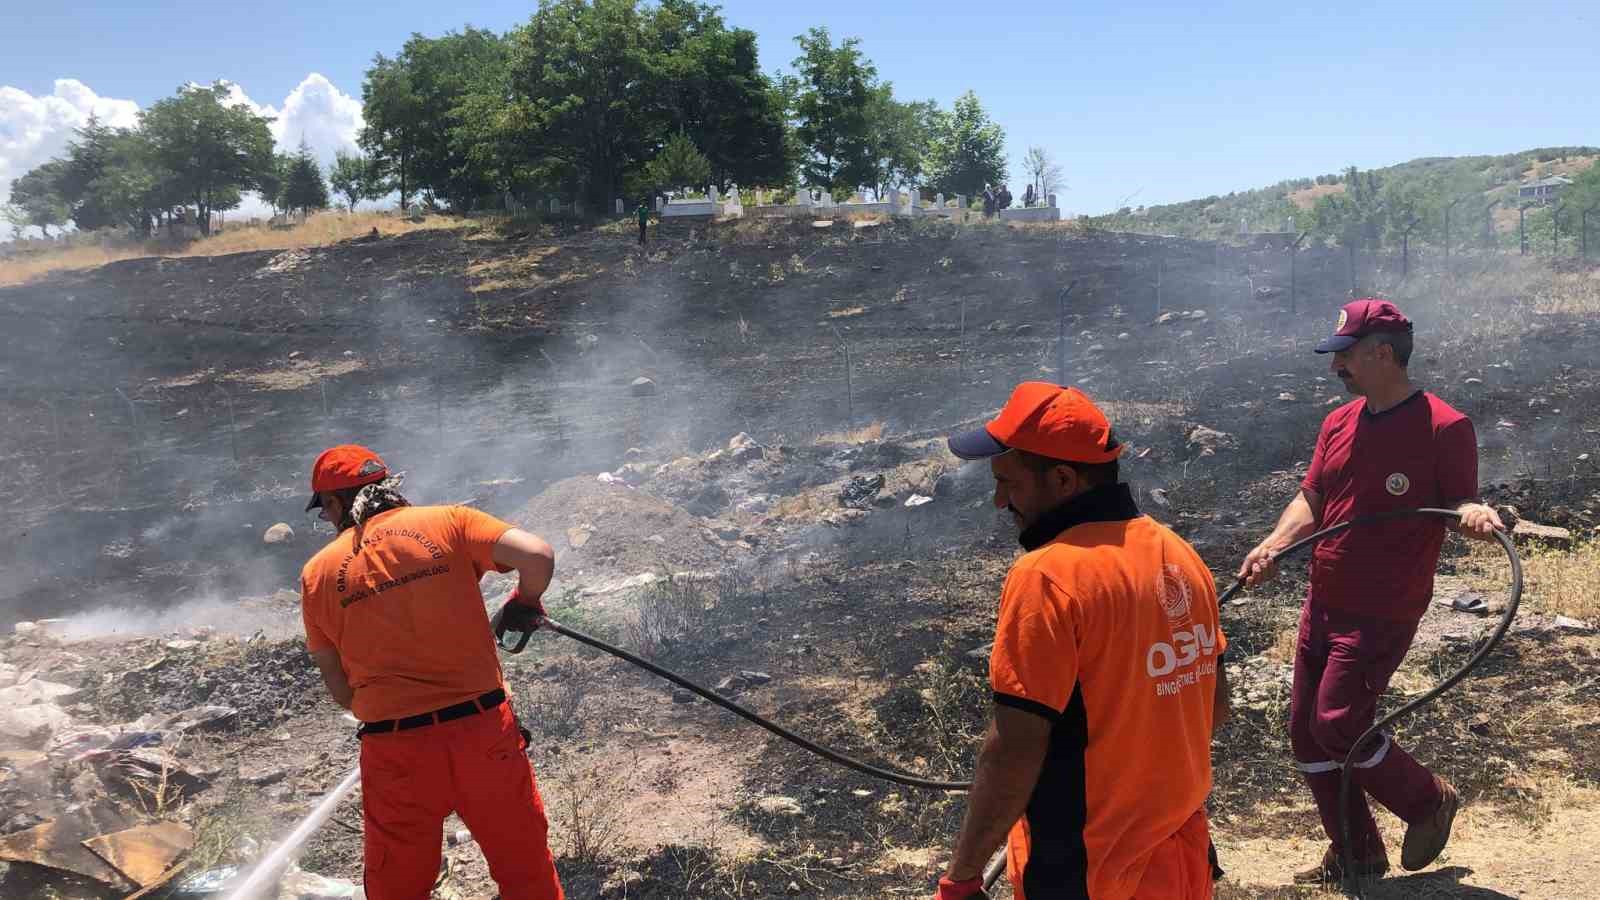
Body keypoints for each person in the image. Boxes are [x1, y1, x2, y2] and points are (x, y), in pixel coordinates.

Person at [1237, 299, 1505, 885]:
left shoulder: (1444, 425)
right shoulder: (1338, 423)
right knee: (1306, 733)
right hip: (1324, 598)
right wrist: (1272, 545)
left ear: (1382, 353)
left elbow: (1461, 501)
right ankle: (1356, 853)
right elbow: (1313, 499)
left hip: (1383, 606)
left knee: (1338, 721)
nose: (1337, 369)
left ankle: (1426, 801)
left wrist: (1477, 513)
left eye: (1347, 356)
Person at [935, 383, 1228, 900]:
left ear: (1064, 479)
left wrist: (960, 879)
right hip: (1182, 859)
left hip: (1093, 872)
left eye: (1008, 483)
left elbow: (1014, 750)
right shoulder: (1178, 554)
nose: (1000, 500)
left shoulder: (1047, 576)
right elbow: (1214, 706)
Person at [298, 444, 564, 900]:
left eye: (325, 511)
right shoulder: (449, 522)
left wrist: (388, 705)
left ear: (337, 504)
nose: (327, 520)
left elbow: (340, 689)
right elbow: (537, 556)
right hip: (483, 733)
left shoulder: (317, 574)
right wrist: (523, 603)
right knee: (527, 878)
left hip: (396, 749)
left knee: (398, 888)